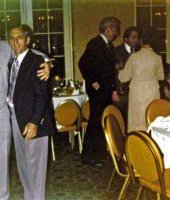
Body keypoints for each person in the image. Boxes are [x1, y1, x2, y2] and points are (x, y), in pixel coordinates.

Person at [0, 15, 51, 200]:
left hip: (3, 114)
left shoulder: (5, 47)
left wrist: (48, 63)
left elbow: (31, 53)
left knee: (4, 160)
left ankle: (2, 197)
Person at [8, 24, 55, 200]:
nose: (15, 41)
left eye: (19, 37)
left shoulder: (36, 61)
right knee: (23, 167)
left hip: (32, 121)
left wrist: (35, 122)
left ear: (27, 40)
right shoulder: (13, 61)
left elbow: (42, 97)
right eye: (12, 37)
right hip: (16, 117)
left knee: (36, 170)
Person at [78, 16, 120, 165]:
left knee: (103, 121)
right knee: (96, 122)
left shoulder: (108, 45)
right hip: (98, 90)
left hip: (106, 89)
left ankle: (100, 153)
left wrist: (113, 90)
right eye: (115, 29)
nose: (116, 33)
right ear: (107, 29)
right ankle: (89, 156)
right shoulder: (95, 43)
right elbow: (82, 63)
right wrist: (92, 81)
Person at [118, 27, 164, 132]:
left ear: (141, 40)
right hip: (152, 92)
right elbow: (161, 76)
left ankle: (136, 144)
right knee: (151, 119)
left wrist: (120, 69)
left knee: (136, 122)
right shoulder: (157, 57)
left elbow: (124, 77)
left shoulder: (134, 57)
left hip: (137, 93)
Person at [113, 26, 140, 125]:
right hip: (121, 93)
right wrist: (113, 91)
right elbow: (111, 73)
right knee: (121, 121)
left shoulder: (140, 52)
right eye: (133, 37)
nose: (136, 40)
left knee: (134, 121)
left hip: (136, 93)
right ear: (126, 38)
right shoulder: (116, 52)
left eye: (137, 37)